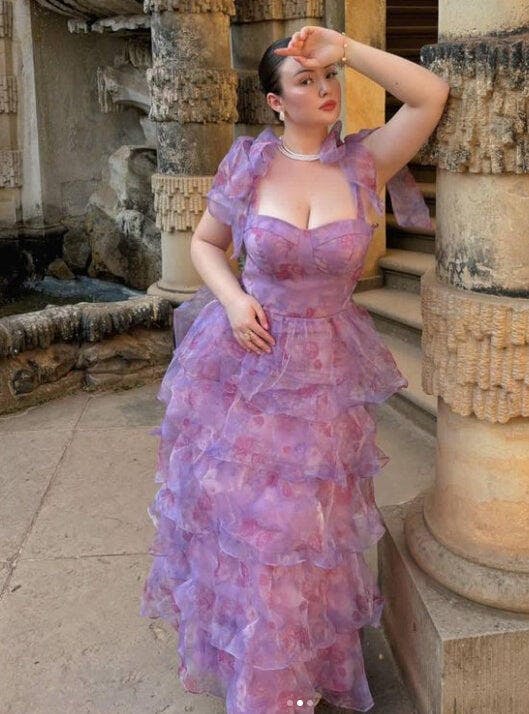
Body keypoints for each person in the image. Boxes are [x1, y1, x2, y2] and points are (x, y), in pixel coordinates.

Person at [140, 25, 449, 714]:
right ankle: (262, 680)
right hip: (246, 362)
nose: (325, 89)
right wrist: (234, 299)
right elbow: (206, 243)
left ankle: (299, 664)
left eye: (328, 77)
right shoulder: (250, 164)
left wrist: (347, 49)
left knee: (309, 530)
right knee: (253, 525)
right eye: (305, 81)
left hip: (326, 370)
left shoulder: (365, 163)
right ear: (276, 102)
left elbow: (429, 96)